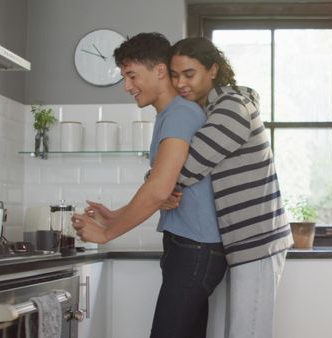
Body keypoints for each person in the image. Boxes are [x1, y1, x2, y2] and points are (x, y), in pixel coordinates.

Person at [71, 32, 227, 338]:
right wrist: (117, 214)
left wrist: (106, 233)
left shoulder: (180, 114)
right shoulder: (170, 114)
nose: (127, 86)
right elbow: (164, 187)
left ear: (159, 71)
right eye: (124, 77)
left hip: (196, 249)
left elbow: (158, 188)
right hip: (192, 247)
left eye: (131, 75)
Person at [165, 37, 293, 338]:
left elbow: (188, 165)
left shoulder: (232, 107)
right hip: (240, 243)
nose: (180, 83)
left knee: (247, 333)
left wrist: (155, 180)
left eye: (189, 74)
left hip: (256, 241)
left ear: (213, 70)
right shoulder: (211, 110)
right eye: (174, 74)